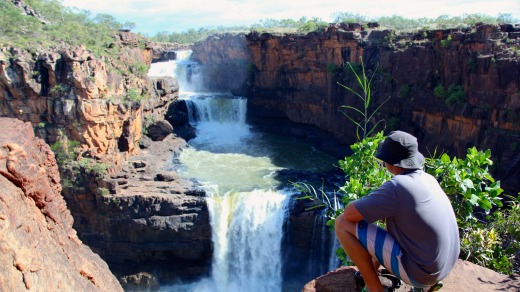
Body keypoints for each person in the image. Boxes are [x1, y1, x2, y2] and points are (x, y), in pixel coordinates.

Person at [335, 131, 460, 292]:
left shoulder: (397, 187)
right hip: (443, 268)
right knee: (394, 220)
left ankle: (374, 288)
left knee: (341, 223)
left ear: (390, 162)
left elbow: (349, 215)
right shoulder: (428, 179)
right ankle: (382, 276)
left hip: (422, 274)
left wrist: (366, 199)